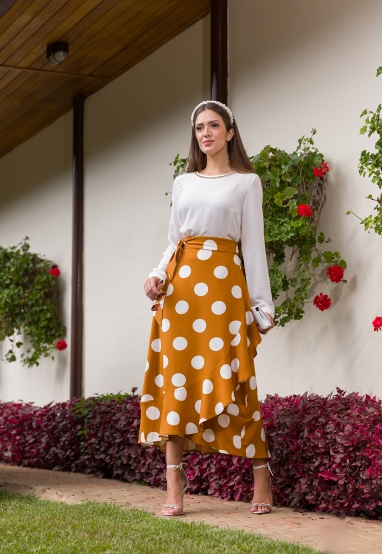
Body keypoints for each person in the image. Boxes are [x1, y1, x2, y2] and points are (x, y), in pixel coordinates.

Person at [139, 100, 275, 517]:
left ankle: (261, 473)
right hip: (180, 292)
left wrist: (262, 305)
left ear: (230, 133)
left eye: (214, 126)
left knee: (235, 376)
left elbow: (253, 247)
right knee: (176, 381)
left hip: (223, 291)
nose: (205, 133)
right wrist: (156, 274)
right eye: (199, 128)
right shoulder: (183, 182)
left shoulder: (247, 183)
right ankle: (174, 481)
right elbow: (175, 240)